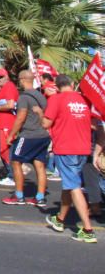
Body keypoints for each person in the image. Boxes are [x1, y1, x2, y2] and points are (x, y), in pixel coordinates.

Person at [43, 75, 96, 243]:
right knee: (69, 183)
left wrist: (39, 111)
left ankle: (88, 230)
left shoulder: (56, 99)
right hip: (83, 148)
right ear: (72, 84)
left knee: (74, 186)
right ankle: (60, 219)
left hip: (66, 148)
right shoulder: (83, 100)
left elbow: (45, 123)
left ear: (57, 86)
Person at [3, 69, 49, 207]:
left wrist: (11, 135)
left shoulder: (24, 97)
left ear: (22, 79)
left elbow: (21, 117)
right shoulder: (41, 96)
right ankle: (40, 197)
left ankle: (19, 195)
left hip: (29, 135)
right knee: (39, 165)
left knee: (16, 161)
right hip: (43, 135)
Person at [0, 67, 19, 186]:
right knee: (1, 148)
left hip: (7, 124)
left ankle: (13, 175)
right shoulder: (0, 91)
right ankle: (9, 172)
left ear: (6, 77)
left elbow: (11, 105)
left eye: (0, 77)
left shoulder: (9, 87)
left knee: (7, 150)